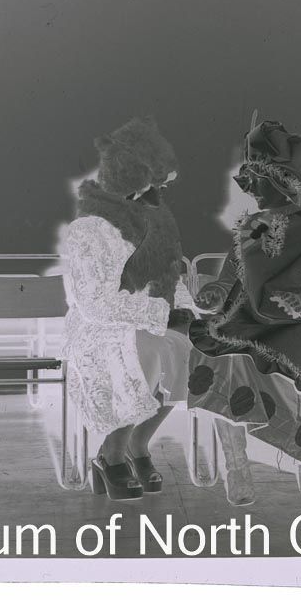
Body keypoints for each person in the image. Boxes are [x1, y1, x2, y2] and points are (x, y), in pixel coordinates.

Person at [188, 115, 301, 506]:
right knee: (220, 359)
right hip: (246, 320)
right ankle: (236, 464)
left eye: (255, 181)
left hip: (296, 326)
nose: (249, 189)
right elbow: (229, 277)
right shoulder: (249, 228)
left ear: (278, 181)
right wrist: (215, 291)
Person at [58, 117, 200, 501]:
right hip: (99, 328)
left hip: (147, 321)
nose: (161, 196)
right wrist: (160, 316)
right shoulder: (89, 230)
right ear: (131, 182)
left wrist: (191, 314)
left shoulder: (157, 225)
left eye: (163, 187)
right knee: (147, 349)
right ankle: (112, 454)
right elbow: (94, 303)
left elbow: (171, 280)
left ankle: (139, 444)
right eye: (156, 186)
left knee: (194, 349)